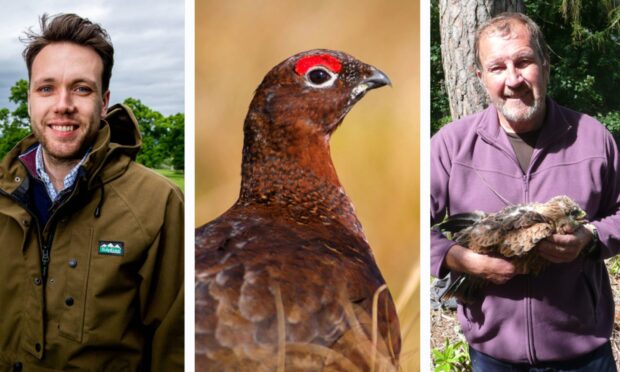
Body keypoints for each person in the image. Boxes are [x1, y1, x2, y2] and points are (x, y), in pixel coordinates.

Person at [431, 12, 620, 371]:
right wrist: (464, 261)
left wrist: (591, 238)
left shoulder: (592, 138)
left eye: (524, 62)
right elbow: (408, 225)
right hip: (494, 355)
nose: (513, 80)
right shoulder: (451, 146)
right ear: (481, 78)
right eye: (497, 68)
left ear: (546, 65)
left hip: (582, 354)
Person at [0, 13, 184, 371]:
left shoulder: (159, 204)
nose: (63, 104)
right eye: (46, 88)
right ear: (29, 99)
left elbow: (174, 350)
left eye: (81, 88)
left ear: (104, 102)